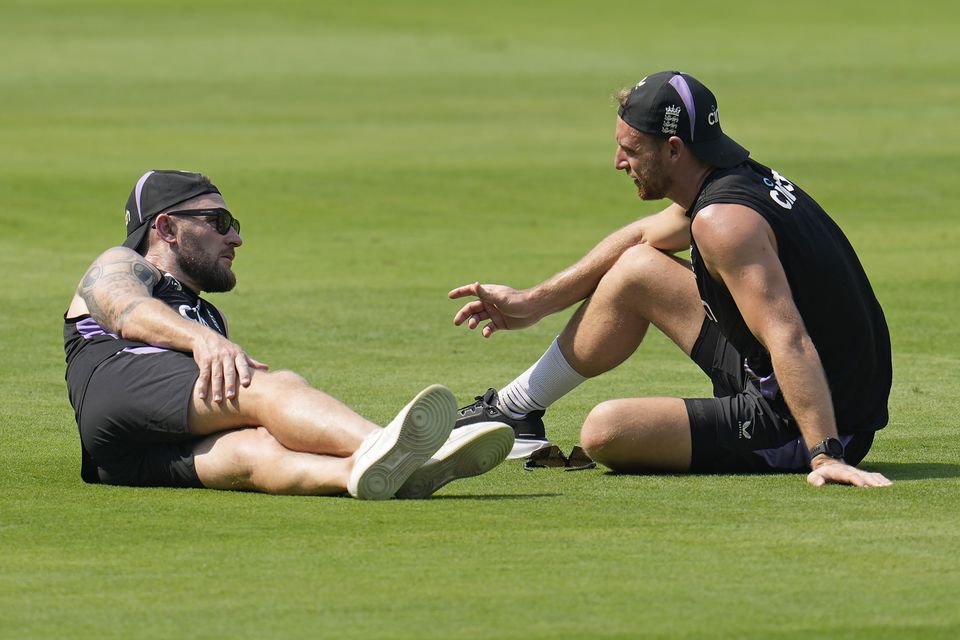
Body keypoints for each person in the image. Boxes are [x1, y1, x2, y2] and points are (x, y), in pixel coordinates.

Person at [451, 71, 893, 488]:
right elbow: (642, 236)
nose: (618, 162)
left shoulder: (724, 223)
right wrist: (532, 303)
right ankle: (513, 411)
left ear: (675, 149)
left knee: (606, 430)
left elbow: (787, 336)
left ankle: (821, 448)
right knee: (637, 268)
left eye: (631, 149)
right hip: (787, 377)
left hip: (809, 419)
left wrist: (825, 454)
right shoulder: (729, 182)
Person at [63, 170, 514, 499]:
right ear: (166, 228)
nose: (235, 239)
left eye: (236, 226)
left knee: (253, 450)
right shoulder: (127, 264)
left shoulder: (209, 315)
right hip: (118, 379)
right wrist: (202, 340)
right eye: (219, 223)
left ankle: (362, 472)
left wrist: (208, 336)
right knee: (271, 387)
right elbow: (121, 307)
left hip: (117, 454)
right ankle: (397, 448)